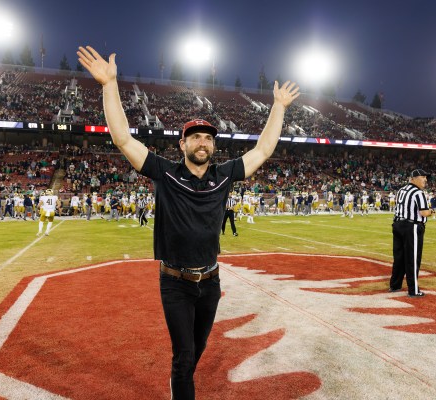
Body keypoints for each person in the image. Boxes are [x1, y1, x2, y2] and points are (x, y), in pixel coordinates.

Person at [78, 45, 299, 400]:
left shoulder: (224, 175)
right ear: (182, 144)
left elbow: (263, 151)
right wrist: (109, 85)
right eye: (195, 136)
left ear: (214, 146)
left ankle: (180, 380)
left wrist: (278, 107)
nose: (203, 142)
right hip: (175, 282)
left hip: (210, 281)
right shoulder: (165, 173)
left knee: (196, 350)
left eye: (209, 137)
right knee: (183, 358)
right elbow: (122, 138)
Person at [389, 169, 432, 297]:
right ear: (413, 178)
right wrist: (432, 212)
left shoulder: (401, 190)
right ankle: (413, 290)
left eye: (426, 177)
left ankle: (395, 285)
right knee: (412, 258)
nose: (425, 179)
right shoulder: (418, 193)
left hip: (397, 224)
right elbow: (424, 212)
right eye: (422, 177)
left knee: (399, 258)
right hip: (411, 226)